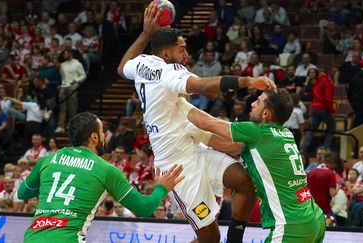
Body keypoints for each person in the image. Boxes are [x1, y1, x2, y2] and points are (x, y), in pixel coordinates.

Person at [117, 5, 276, 243]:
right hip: (177, 167)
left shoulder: (142, 63)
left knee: (244, 182)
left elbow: (121, 68)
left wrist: (146, 33)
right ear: (166, 54)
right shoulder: (168, 73)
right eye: (181, 49)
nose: (186, 53)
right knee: (209, 238)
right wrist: (248, 81)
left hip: (194, 147)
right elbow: (202, 86)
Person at [176, 90, 325, 242]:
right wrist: (198, 135)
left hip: (292, 224)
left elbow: (207, 123)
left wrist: (178, 101)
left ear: (266, 113)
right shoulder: (285, 133)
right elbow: (231, 147)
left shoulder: (256, 131)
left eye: (258, 102)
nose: (252, 103)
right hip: (314, 217)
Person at [17, 112, 184, 242]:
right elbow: (145, 208)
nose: (104, 136)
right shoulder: (106, 170)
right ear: (94, 137)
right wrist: (162, 187)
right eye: (102, 131)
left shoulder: (47, 160)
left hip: (32, 237)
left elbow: (22, 193)